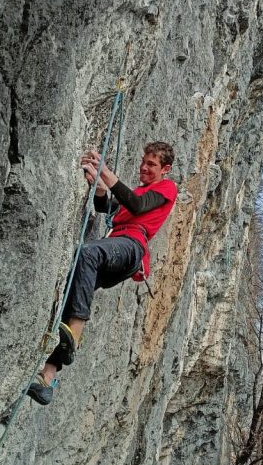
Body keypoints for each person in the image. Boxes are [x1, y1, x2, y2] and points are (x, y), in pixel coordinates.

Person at [27, 142, 178, 405]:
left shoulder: (166, 188)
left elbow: (138, 205)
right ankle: (47, 379)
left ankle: (75, 330)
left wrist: (105, 173)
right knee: (71, 293)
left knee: (87, 252)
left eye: (151, 164)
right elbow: (108, 209)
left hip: (131, 247)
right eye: (144, 161)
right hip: (116, 249)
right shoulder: (141, 190)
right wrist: (99, 189)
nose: (144, 167)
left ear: (165, 169)